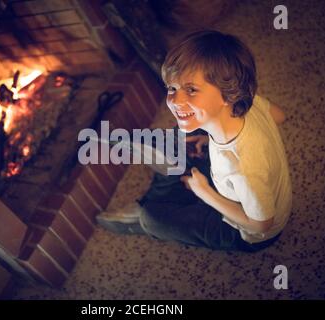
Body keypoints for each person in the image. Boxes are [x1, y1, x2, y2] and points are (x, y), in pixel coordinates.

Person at [96, 30, 292, 252]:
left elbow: (261, 225)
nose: (175, 100)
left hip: (242, 232)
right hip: (228, 174)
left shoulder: (242, 168)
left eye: (191, 90)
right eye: (172, 88)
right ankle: (168, 181)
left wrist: (204, 192)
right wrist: (211, 139)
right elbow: (279, 115)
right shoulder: (250, 102)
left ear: (229, 94)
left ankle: (149, 208)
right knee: (185, 134)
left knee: (153, 217)